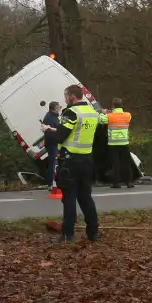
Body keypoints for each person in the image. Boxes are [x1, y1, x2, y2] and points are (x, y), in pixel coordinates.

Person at [53, 85, 101, 242]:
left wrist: (48, 130)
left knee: (69, 198)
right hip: (87, 159)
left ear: (72, 97)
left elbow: (60, 136)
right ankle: (93, 232)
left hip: (70, 160)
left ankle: (68, 234)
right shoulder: (93, 113)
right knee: (86, 197)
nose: (65, 99)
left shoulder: (71, 112)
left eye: (66, 96)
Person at [105, 98, 134, 189]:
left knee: (115, 163)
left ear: (113, 106)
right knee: (126, 163)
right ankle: (129, 182)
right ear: (121, 105)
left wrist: (104, 112)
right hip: (124, 142)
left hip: (113, 144)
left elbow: (100, 119)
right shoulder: (127, 115)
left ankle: (116, 183)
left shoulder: (109, 116)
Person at [40, 101, 62, 188]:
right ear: (54, 108)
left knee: (54, 163)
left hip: (53, 143)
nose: (60, 108)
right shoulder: (50, 118)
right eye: (59, 107)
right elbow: (50, 131)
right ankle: (51, 183)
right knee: (53, 163)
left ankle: (54, 182)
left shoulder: (53, 116)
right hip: (53, 143)